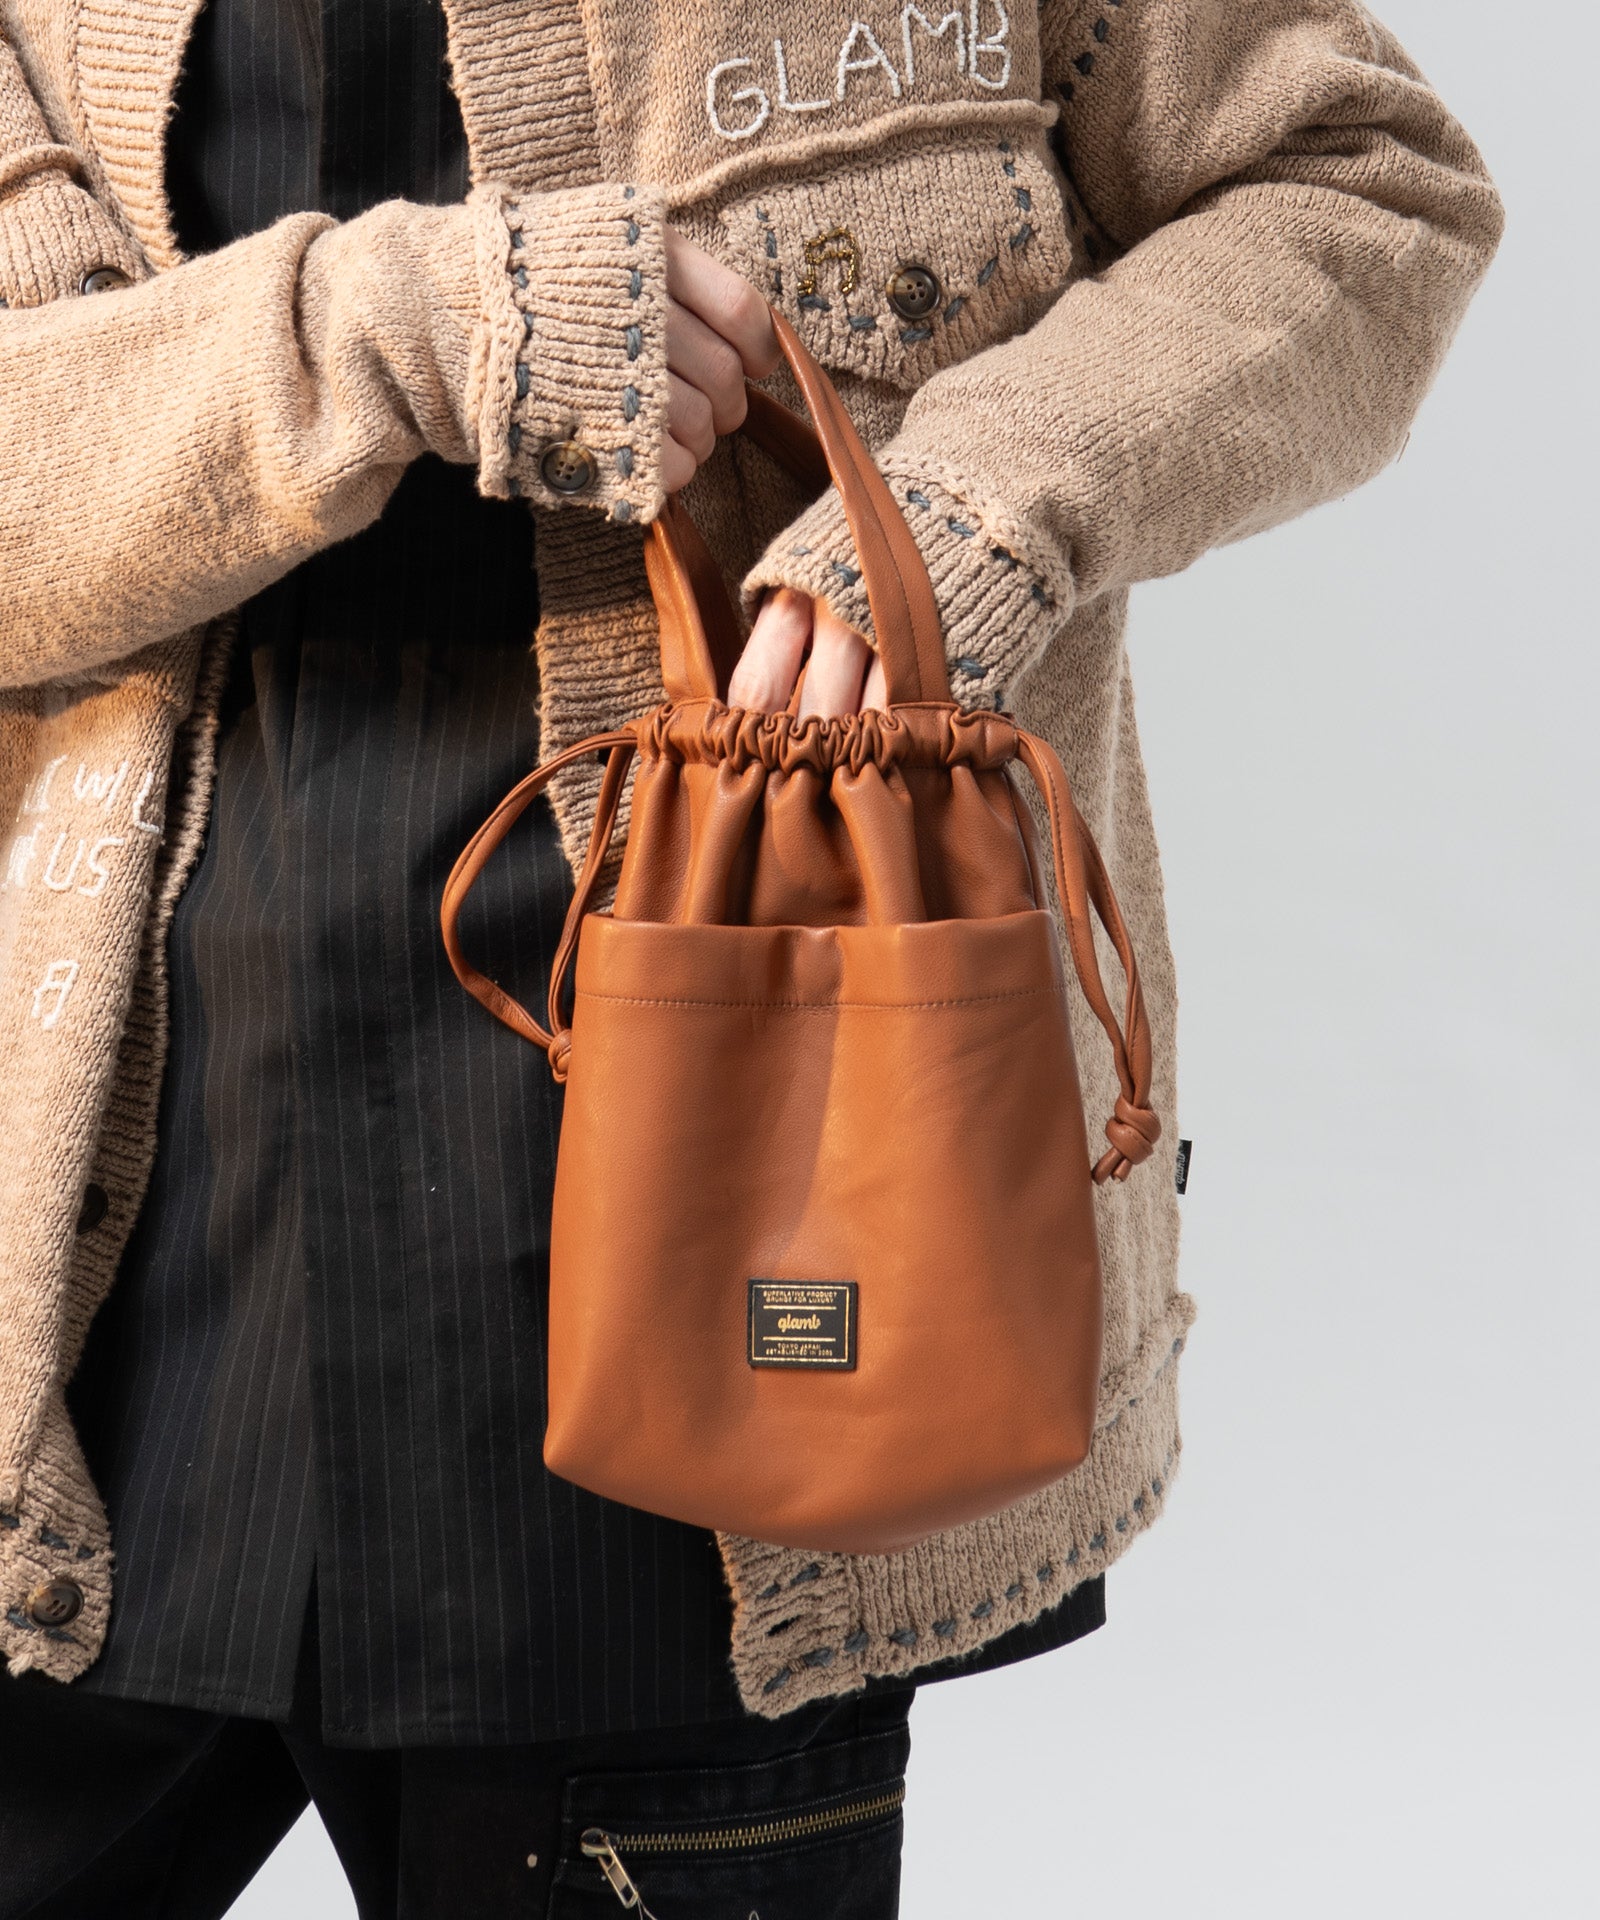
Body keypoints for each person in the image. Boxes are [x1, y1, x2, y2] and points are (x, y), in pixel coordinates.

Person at [0, 3, 1500, 1914]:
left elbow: (1359, 185)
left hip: (743, 1298)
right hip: (88, 1331)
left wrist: (976, 510)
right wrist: (378, 333)